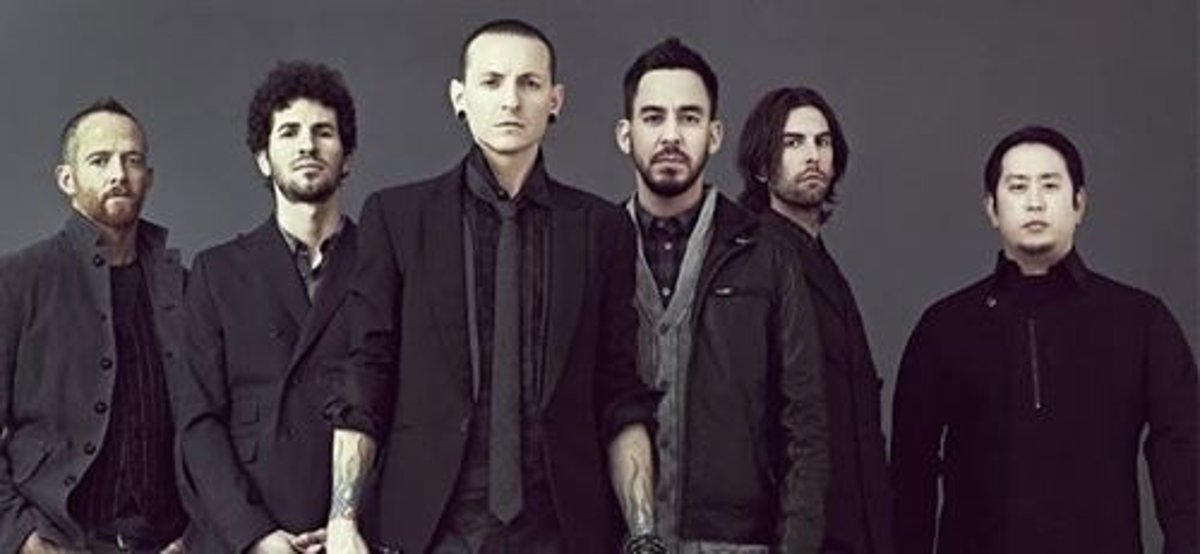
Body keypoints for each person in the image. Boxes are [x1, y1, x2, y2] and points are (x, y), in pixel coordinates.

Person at [322, 19, 660, 554]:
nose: (511, 100)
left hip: (563, 532)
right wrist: (342, 518)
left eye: (529, 83)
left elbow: (619, 391)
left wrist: (644, 535)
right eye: (492, 81)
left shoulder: (602, 229)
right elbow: (367, 370)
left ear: (555, 100)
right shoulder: (398, 217)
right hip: (430, 531)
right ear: (460, 97)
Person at [891, 125, 1198, 554]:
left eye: (1050, 185)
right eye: (1018, 186)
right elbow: (910, 473)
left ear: (1079, 204)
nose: (1034, 201)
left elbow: (1184, 454)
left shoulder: (1141, 321)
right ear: (992, 208)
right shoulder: (945, 327)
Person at [615, 38, 829, 553]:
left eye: (689, 118)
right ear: (626, 134)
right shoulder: (593, 249)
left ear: (714, 135)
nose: (671, 135)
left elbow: (805, 425)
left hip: (734, 543)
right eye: (653, 117)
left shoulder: (767, 253)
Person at [175, 61, 360, 554]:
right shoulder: (217, 272)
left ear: (347, 157)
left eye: (323, 132)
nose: (307, 146)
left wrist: (351, 525)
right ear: (263, 157)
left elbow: (409, 412)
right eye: (289, 132)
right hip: (246, 532)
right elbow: (197, 421)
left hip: (354, 533)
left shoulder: (385, 263)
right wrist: (254, 535)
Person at [0, 99, 187, 553]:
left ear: (149, 178)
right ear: (67, 179)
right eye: (100, 160)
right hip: (58, 538)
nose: (118, 174)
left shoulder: (184, 287)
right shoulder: (18, 280)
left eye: (132, 160)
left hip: (167, 542)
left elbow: (209, 424)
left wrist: (192, 536)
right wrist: (21, 536)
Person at [737, 86, 894, 554]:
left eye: (822, 142)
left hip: (853, 524)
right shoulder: (753, 258)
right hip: (796, 530)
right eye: (793, 143)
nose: (812, 156)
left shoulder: (821, 260)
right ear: (761, 167)